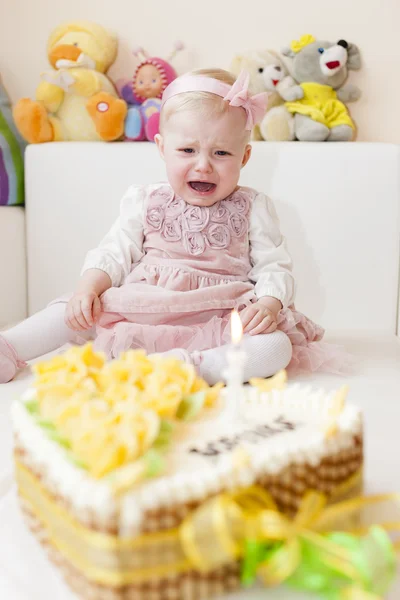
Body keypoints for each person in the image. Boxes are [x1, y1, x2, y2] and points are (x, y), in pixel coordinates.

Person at [0, 68, 336, 385]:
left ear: (244, 157)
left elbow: (274, 265)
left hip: (218, 315)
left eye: (221, 153)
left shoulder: (253, 207)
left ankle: (195, 367)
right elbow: (114, 252)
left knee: (276, 346)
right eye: (187, 150)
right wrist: (88, 288)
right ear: (162, 148)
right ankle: (10, 347)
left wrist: (268, 304)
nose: (203, 165)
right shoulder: (145, 200)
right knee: (73, 309)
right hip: (143, 308)